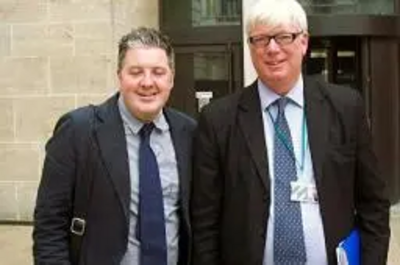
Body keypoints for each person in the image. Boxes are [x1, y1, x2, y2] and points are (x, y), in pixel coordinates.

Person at [190, 0, 390, 264]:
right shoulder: (218, 120)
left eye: (284, 37)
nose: (272, 49)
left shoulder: (345, 107)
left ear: (304, 42)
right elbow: (205, 222)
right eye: (261, 39)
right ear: (250, 47)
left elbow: (373, 204)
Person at [33, 27, 196, 265]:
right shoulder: (78, 130)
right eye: (136, 72)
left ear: (171, 78)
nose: (147, 82)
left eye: (158, 72)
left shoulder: (189, 132)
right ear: (120, 75)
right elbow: (50, 224)